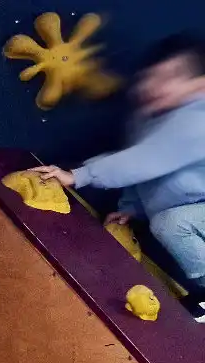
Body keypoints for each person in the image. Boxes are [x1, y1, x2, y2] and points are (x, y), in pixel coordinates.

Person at [32, 33, 205, 318]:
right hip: (192, 210)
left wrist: (78, 175)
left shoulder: (195, 121)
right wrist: (131, 208)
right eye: (151, 77)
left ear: (199, 87)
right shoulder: (148, 120)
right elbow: (143, 170)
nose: (155, 85)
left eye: (171, 77)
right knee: (169, 221)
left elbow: (144, 161)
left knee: (171, 223)